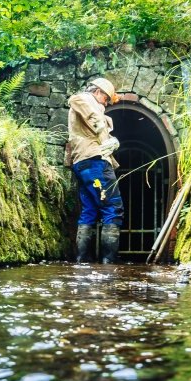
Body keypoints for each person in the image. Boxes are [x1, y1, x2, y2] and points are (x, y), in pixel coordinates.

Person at [66, 76, 125, 263]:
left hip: (84, 165)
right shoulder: (84, 99)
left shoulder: (89, 104)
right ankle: (109, 263)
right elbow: (95, 118)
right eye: (106, 99)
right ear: (97, 91)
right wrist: (106, 139)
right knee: (112, 206)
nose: (106, 104)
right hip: (95, 164)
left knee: (90, 209)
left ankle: (83, 262)